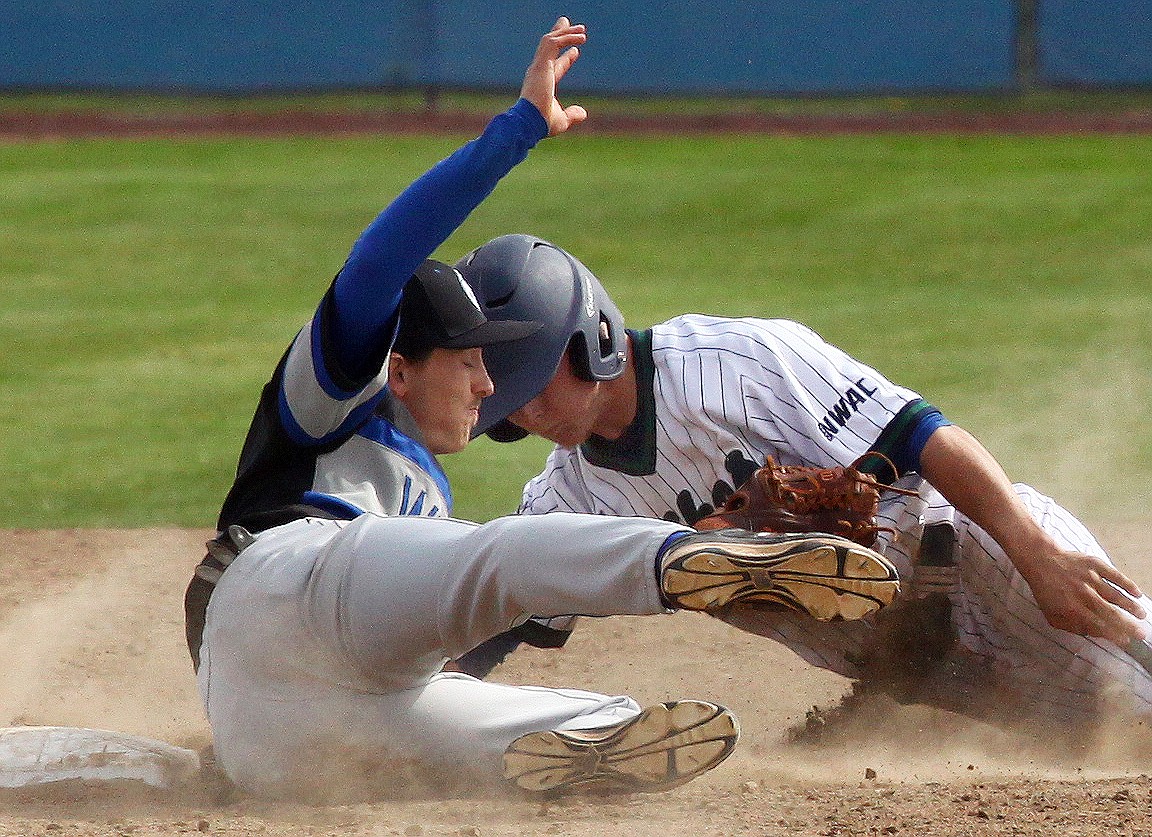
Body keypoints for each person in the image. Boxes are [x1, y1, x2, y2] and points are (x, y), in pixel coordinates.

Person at [181, 20, 900, 802]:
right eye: (467, 362)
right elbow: (384, 254)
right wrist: (518, 128)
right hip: (273, 593)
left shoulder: (420, 488)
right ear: (399, 367)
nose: (489, 388)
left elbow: (448, 642)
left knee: (552, 727)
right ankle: (678, 563)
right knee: (493, 558)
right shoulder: (334, 399)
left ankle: (585, 729)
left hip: (285, 734)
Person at [451, 232, 1152, 733]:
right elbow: (490, 620)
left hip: (980, 557)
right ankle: (908, 698)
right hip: (925, 668)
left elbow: (922, 434)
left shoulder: (737, 363)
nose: (527, 413)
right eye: (508, 400)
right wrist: (406, 705)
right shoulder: (565, 501)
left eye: (534, 384)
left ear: (593, 338)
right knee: (1111, 745)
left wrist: (1037, 556)